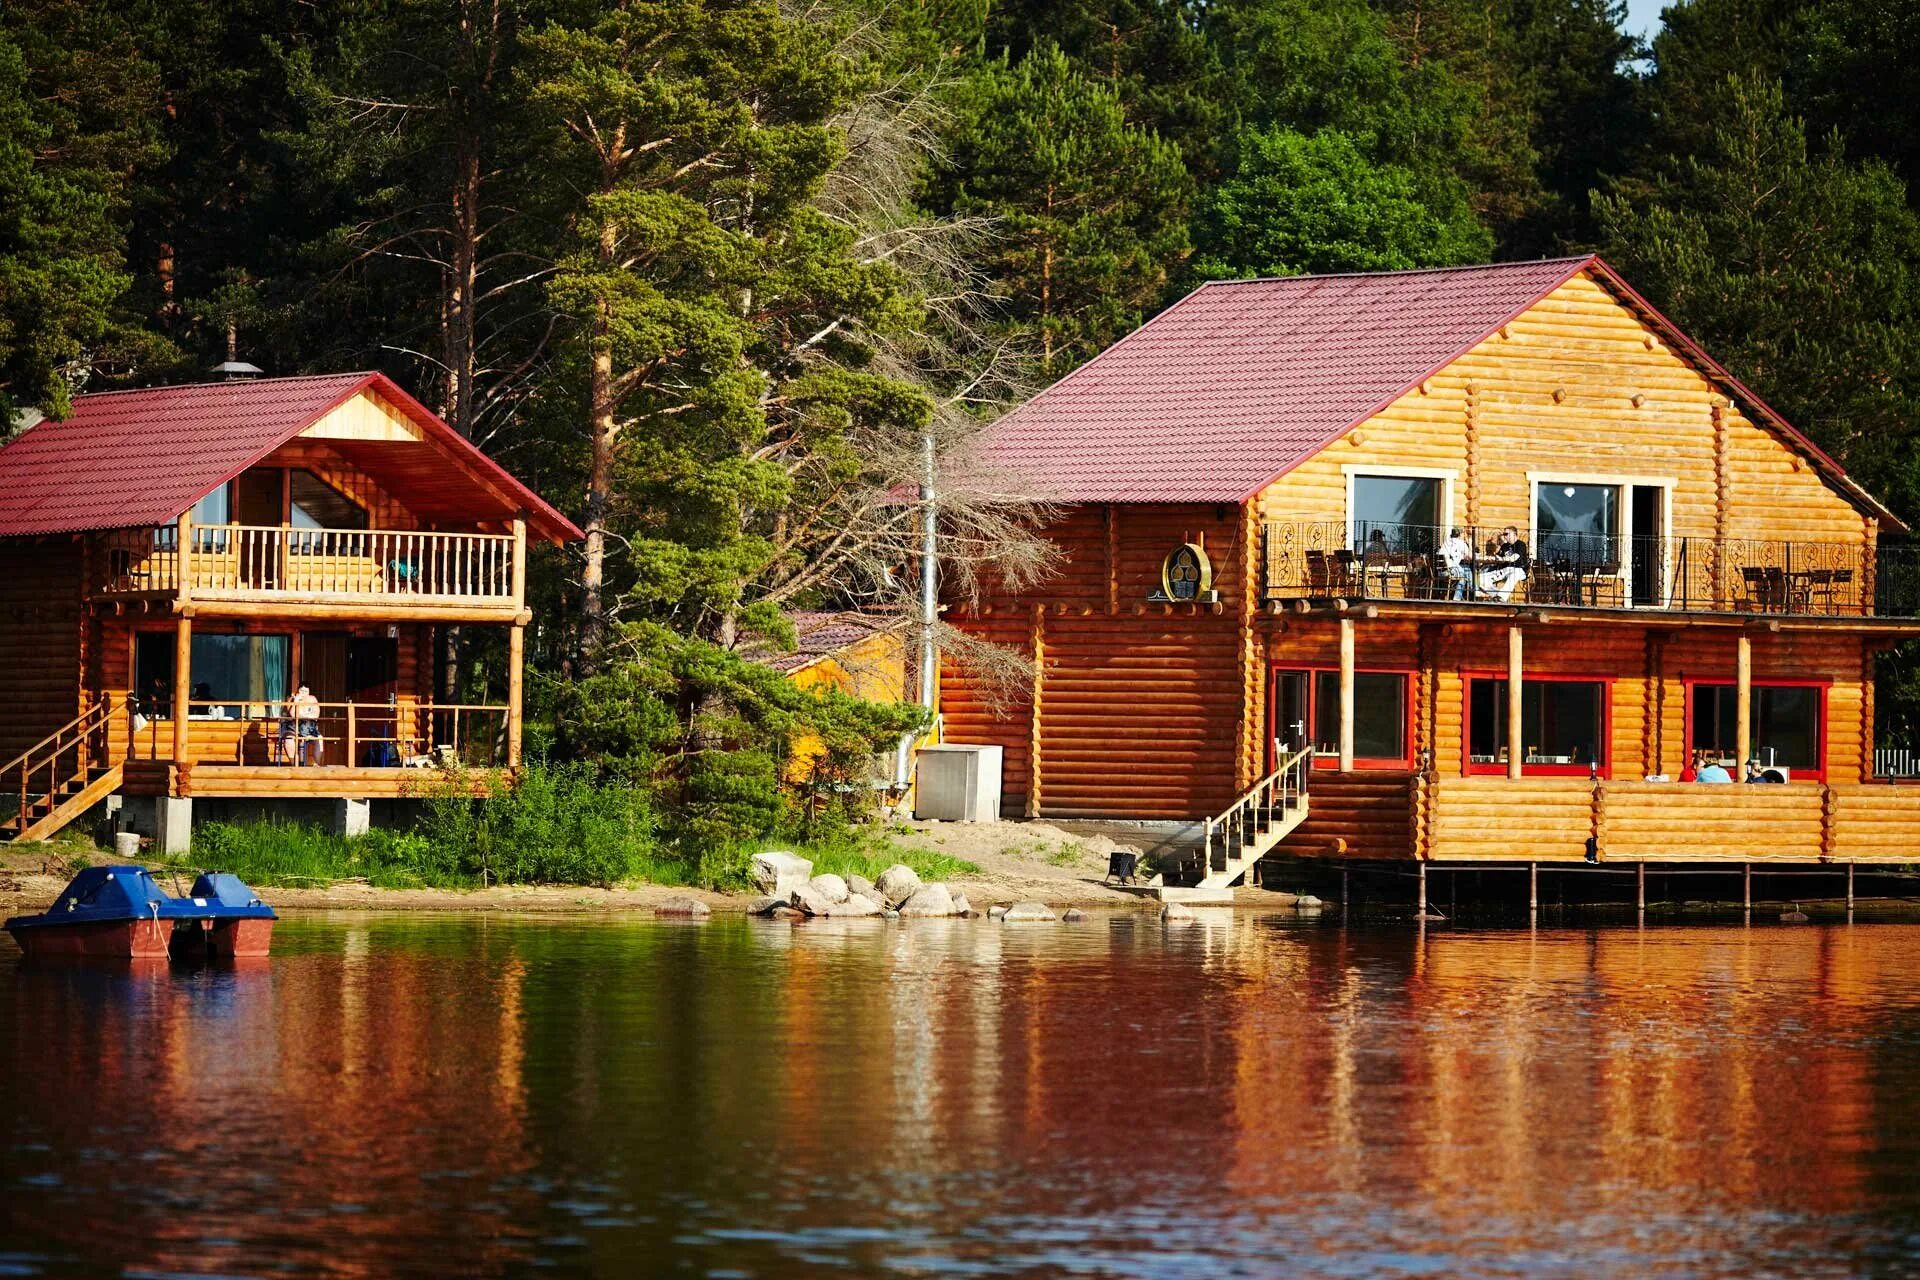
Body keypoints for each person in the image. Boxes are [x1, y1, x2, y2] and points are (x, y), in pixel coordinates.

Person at [1478, 526, 1528, 601]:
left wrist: (1503, 559)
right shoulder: (1504, 546)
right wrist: (1493, 558)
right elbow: (1498, 558)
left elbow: (1515, 557)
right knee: (1480, 578)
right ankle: (1497, 596)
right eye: (1504, 534)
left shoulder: (1520, 544)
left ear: (1514, 534)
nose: (1505, 536)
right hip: (1504, 570)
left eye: (1506, 534)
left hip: (1519, 570)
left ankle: (1502, 597)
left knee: (1515, 573)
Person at [1438, 527, 1473, 600]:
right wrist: (1470, 544)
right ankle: (1469, 593)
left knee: (1465, 570)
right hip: (1450, 571)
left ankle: (1470, 591)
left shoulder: (1445, 542)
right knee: (1465, 574)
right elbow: (1470, 557)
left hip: (1440, 571)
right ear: (1459, 535)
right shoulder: (1460, 543)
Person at [292, 684, 322, 766]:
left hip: (310, 727)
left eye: (306, 691)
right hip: (296, 727)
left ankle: (317, 763)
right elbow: (292, 714)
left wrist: (303, 715)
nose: (303, 693)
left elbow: (316, 714)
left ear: (309, 692)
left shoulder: (312, 699)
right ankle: (295, 764)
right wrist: (295, 702)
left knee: (320, 738)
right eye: (302, 691)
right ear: (298, 691)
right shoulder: (294, 699)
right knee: (292, 739)